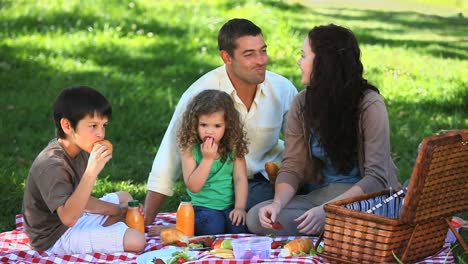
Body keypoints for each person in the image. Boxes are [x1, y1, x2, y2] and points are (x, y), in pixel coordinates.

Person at [246, 24, 401, 236]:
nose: (298, 62)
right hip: (319, 195)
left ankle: (344, 228)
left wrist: (329, 211)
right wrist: (277, 204)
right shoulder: (302, 103)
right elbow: (293, 165)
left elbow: (377, 177)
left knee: (356, 219)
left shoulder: (369, 104)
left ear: (323, 63)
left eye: (303, 56)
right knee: (257, 218)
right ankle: (339, 231)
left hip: (365, 198)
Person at [144, 18, 298, 225]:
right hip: (218, 184)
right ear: (227, 57)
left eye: (263, 50)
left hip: (269, 180)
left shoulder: (282, 88)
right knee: (230, 217)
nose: (261, 60)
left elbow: (301, 145)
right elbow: (168, 158)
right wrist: (145, 222)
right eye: (249, 54)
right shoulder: (200, 94)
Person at [22, 86, 146, 254]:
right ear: (67, 125)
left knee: (125, 196)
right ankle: (113, 228)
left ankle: (112, 225)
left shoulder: (78, 150)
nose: (100, 134)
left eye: (104, 125)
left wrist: (116, 210)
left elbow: (80, 198)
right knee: (137, 240)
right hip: (54, 236)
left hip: (75, 214)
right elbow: (68, 217)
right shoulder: (52, 165)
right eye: (93, 126)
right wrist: (91, 171)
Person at [177, 90, 249, 235]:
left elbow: (240, 178)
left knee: (239, 229)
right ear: (195, 124)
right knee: (212, 227)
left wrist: (240, 207)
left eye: (217, 126)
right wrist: (207, 159)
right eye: (204, 125)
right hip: (201, 207)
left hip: (228, 206)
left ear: (227, 125)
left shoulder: (233, 146)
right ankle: (182, 227)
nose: (209, 131)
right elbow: (193, 186)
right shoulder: (189, 148)